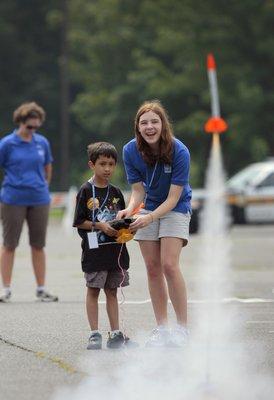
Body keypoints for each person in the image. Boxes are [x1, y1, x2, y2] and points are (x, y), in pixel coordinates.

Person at [118, 100, 192, 347]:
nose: (149, 127)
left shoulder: (179, 150)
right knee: (152, 268)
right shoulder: (130, 150)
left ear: (163, 124)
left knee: (169, 265)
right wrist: (129, 210)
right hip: (147, 207)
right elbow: (138, 191)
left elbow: (173, 198)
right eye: (144, 122)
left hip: (175, 207)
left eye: (154, 121)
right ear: (137, 127)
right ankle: (162, 328)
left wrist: (149, 216)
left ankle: (183, 329)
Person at [73, 142, 134, 350]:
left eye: (111, 164)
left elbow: (125, 219)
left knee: (112, 291)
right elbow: (79, 221)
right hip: (94, 252)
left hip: (115, 252)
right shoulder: (85, 191)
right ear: (92, 165)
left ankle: (116, 333)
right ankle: (94, 333)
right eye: (102, 164)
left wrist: (126, 231)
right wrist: (100, 226)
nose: (107, 169)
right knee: (93, 290)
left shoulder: (117, 192)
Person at [0, 102, 58, 303]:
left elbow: (47, 167)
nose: (32, 130)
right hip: (12, 198)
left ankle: (41, 289)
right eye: (29, 126)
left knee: (38, 245)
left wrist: (44, 185)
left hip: (39, 199)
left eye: (36, 126)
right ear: (21, 122)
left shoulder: (42, 143)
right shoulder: (7, 143)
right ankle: (5, 289)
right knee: (9, 244)